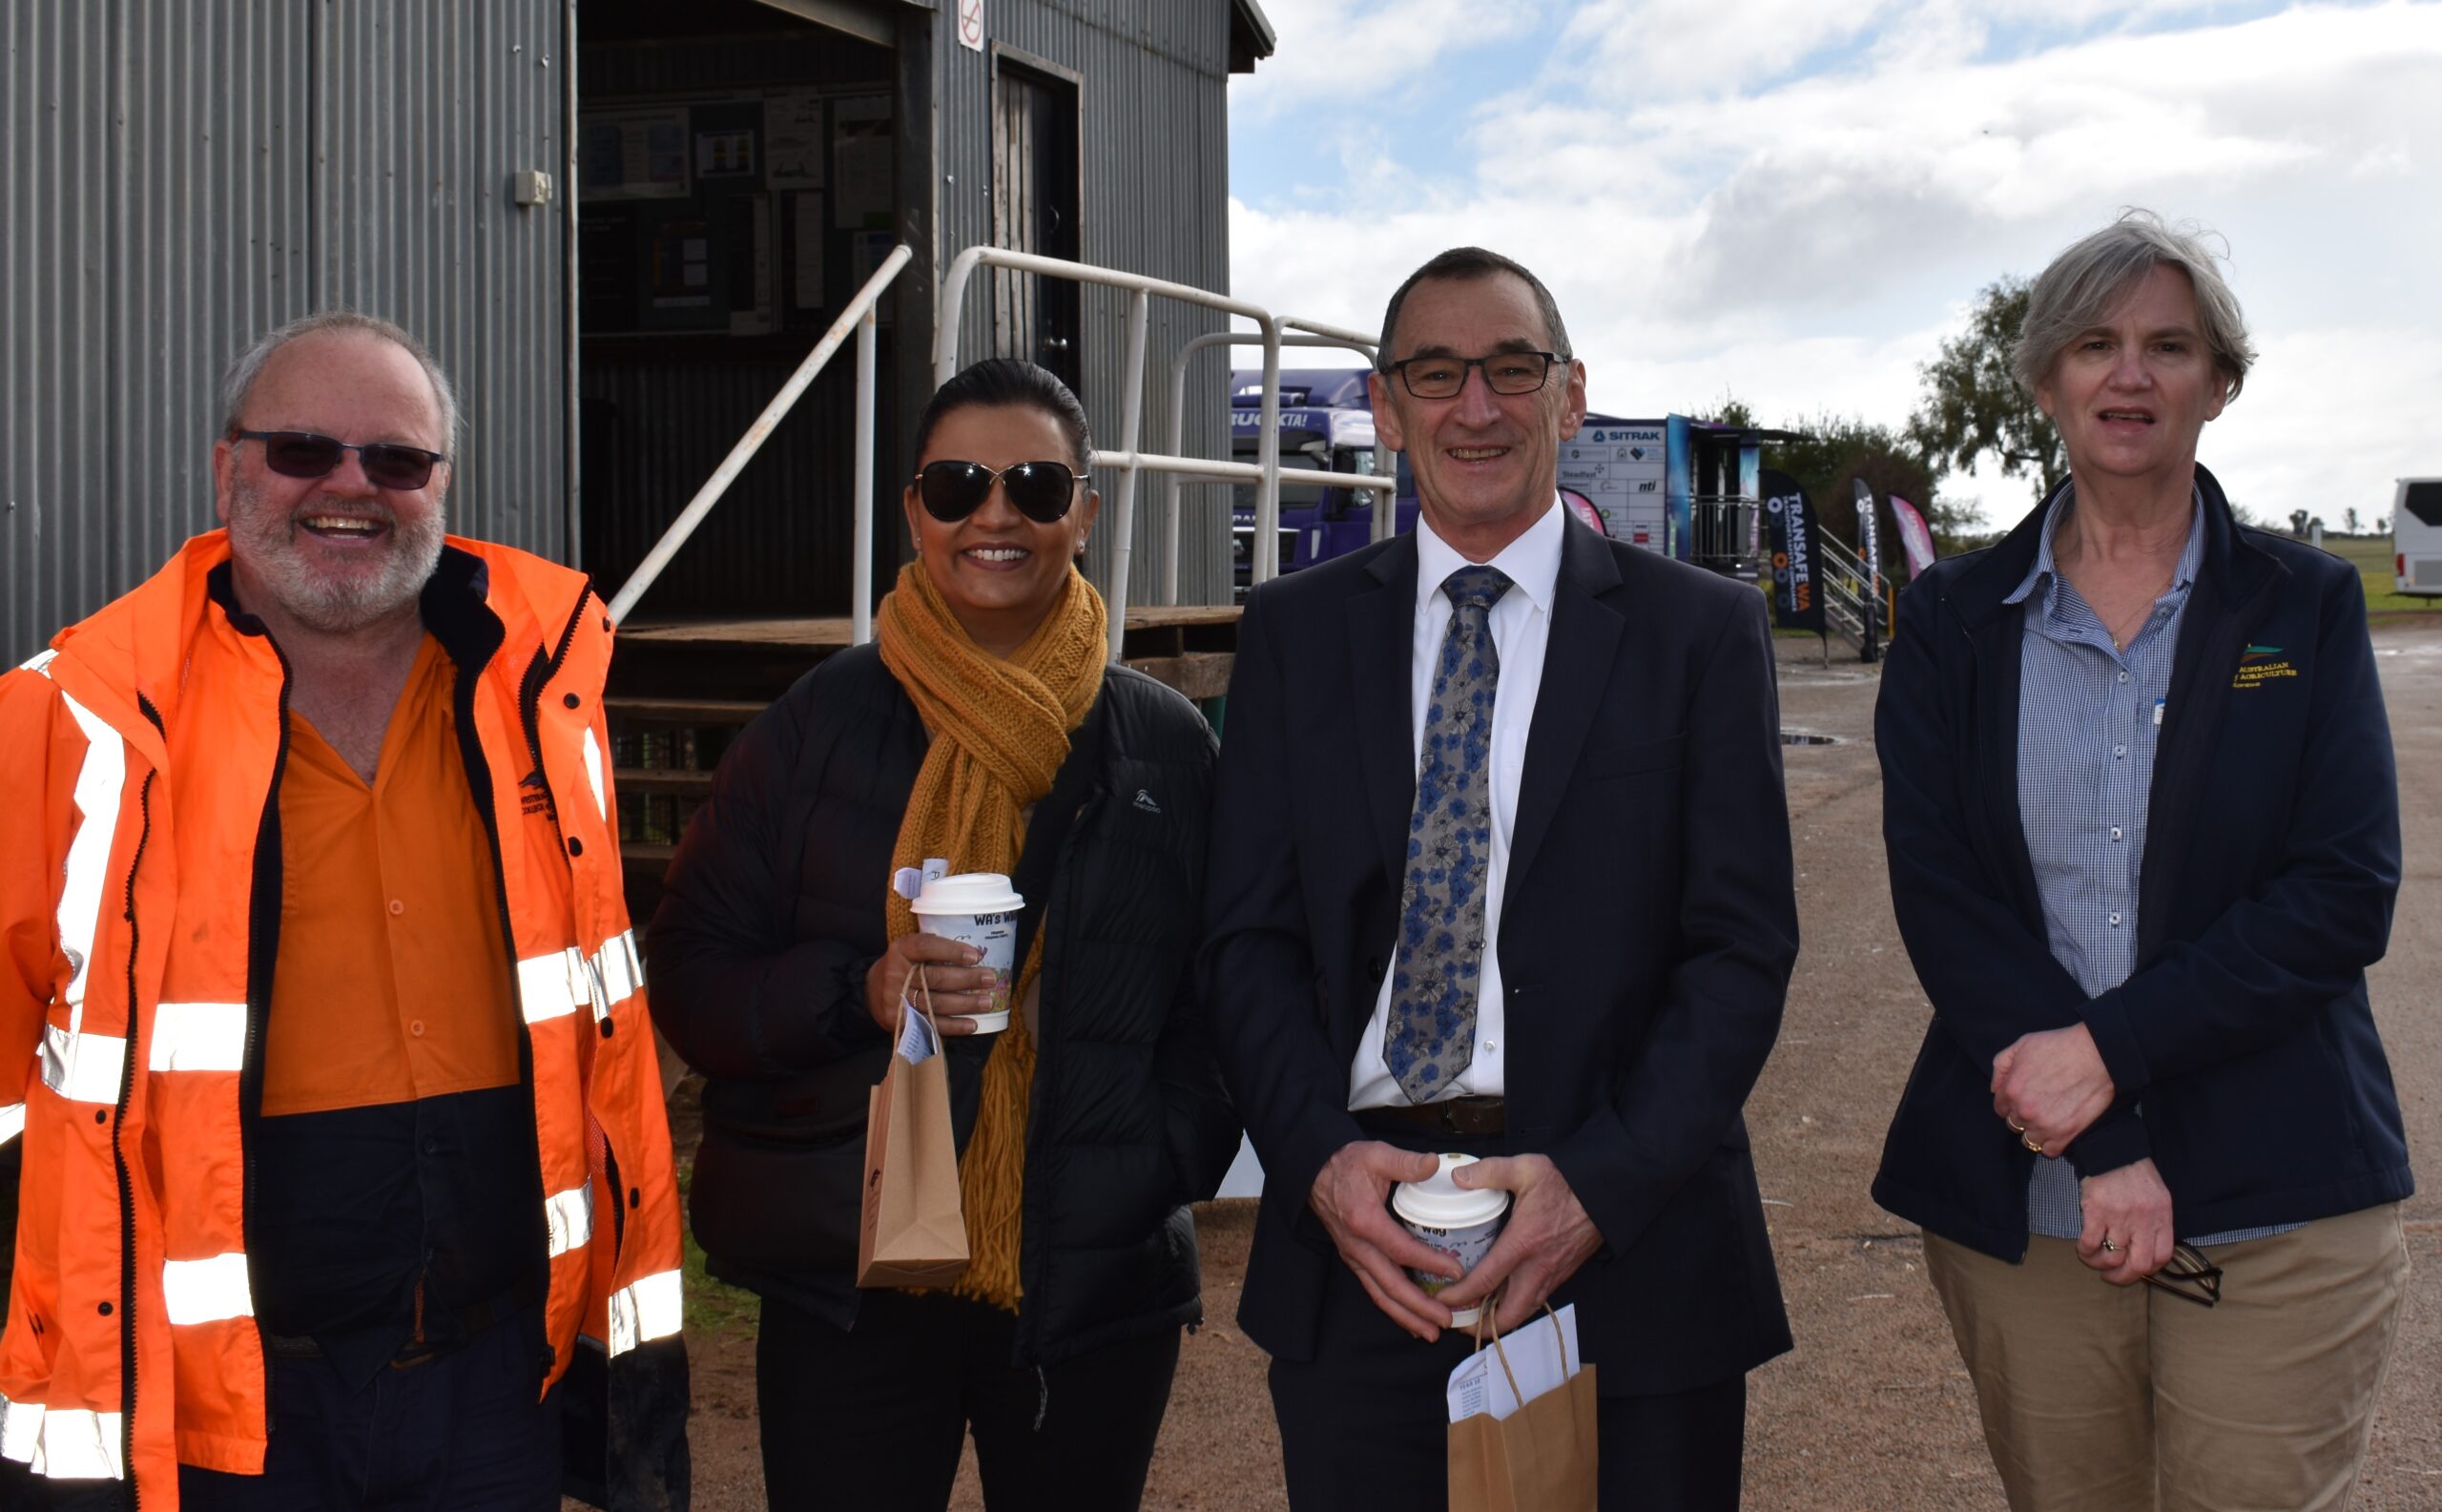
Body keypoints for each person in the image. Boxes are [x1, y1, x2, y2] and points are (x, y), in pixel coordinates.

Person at [0, 311, 690, 1511]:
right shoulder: (80, 719)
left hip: (492, 1376)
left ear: (442, 485)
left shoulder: (542, 694)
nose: (351, 486)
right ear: (226, 469)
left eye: (397, 459)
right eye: (303, 450)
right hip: (214, 1411)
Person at [1202, 247, 1798, 1510]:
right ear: (1385, 407)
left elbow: (1740, 950)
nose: (1475, 407)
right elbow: (1246, 941)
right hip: (1367, 1255)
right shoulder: (1294, 634)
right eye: (1435, 373)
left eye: (1511, 369)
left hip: (1630, 1251)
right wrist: (1318, 1162)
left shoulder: (1699, 631)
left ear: (1570, 395)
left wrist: (1596, 1189)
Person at [1873, 211, 2412, 1511]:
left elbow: (2342, 890)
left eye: (2169, 346)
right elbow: (1945, 898)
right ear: (2045, 379)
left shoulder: (2303, 605)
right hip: (2033, 1206)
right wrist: (2101, 1132)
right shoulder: (1952, 620)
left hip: (2284, 1194)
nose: (2130, 375)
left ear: (2218, 382)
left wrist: (2109, 1054)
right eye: (2094, 345)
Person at [647, 357, 1239, 1512]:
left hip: (1088, 1272)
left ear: (1085, 513)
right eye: (960, 485)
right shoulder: (811, 728)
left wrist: (1152, 1162)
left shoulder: (1167, 743)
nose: (995, 516)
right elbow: (692, 972)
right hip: (850, 1272)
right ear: (914, 509)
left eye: (1035, 486)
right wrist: (856, 993)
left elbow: (1228, 991)